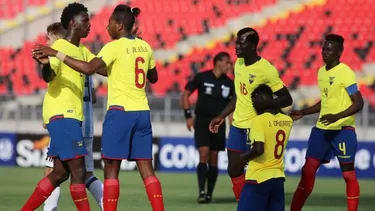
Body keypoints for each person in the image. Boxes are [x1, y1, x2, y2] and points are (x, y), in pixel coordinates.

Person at [32, 4, 164, 211]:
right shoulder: (144, 46)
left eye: (110, 23)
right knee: (147, 169)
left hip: (118, 113)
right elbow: (153, 77)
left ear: (120, 26)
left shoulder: (111, 47)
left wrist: (55, 54)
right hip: (142, 113)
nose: (105, 26)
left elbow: (89, 68)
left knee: (104, 172)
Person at [22, 3, 94, 211]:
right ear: (73, 23)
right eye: (85, 20)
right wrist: (45, 64)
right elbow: (49, 76)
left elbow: (101, 69)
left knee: (59, 173)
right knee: (79, 173)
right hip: (64, 115)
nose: (89, 25)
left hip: (71, 117)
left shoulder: (82, 50)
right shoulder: (60, 47)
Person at [208, 27, 293, 201]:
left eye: (241, 43)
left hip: (255, 128)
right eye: (236, 42)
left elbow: (286, 98)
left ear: (253, 46)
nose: (236, 46)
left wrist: (268, 103)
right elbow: (239, 95)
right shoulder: (238, 65)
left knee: (256, 173)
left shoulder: (266, 69)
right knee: (233, 169)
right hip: (237, 126)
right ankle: (244, 203)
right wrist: (221, 115)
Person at [290, 34, 363, 211]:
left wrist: (337, 116)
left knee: (348, 175)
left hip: (342, 129)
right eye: (324, 48)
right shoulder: (321, 72)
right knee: (307, 172)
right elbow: (326, 101)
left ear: (339, 53)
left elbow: (358, 102)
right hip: (322, 129)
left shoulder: (345, 72)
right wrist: (304, 112)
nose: (325, 52)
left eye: (329, 49)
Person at [42, 22, 104, 211]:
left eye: (49, 38)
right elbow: (92, 97)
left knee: (52, 172)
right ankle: (107, 204)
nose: (47, 42)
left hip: (67, 122)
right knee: (85, 174)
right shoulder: (83, 58)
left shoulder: (59, 57)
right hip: (86, 125)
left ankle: (49, 210)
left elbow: (49, 77)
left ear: (57, 38)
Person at [182, 51, 233, 203]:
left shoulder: (230, 83)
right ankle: (202, 192)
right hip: (202, 121)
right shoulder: (202, 77)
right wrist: (188, 116)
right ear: (218, 62)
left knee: (214, 158)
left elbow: (232, 107)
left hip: (219, 123)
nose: (229, 66)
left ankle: (210, 193)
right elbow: (185, 94)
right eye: (227, 62)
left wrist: (233, 127)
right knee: (203, 153)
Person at [237, 84, 293, 211]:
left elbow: (258, 149)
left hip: (258, 178)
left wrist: (242, 157)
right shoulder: (287, 121)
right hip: (277, 179)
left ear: (263, 99)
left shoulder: (258, 120)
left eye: (254, 100)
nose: (253, 105)